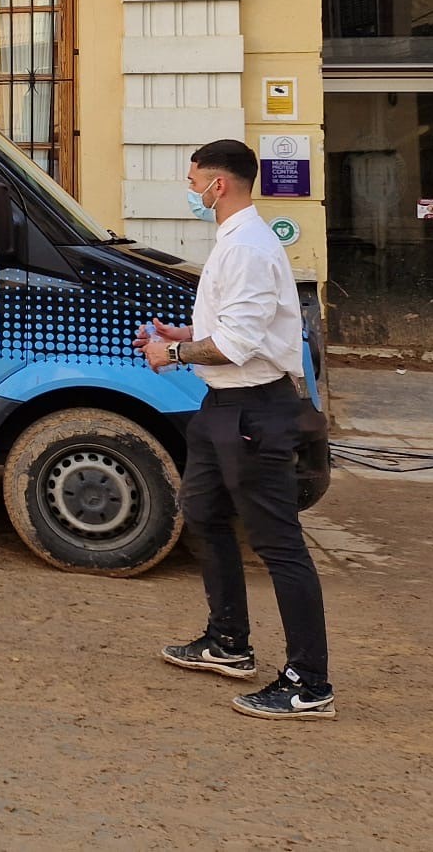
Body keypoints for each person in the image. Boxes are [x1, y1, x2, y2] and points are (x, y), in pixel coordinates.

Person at [137, 138, 333, 721]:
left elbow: (238, 344)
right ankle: (228, 642)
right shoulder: (234, 242)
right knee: (202, 515)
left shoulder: (247, 246)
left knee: (278, 545)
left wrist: (168, 357)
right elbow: (227, 326)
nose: (191, 191)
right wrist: (179, 335)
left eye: (194, 181)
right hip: (222, 409)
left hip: (254, 413)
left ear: (218, 185)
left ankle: (309, 683)